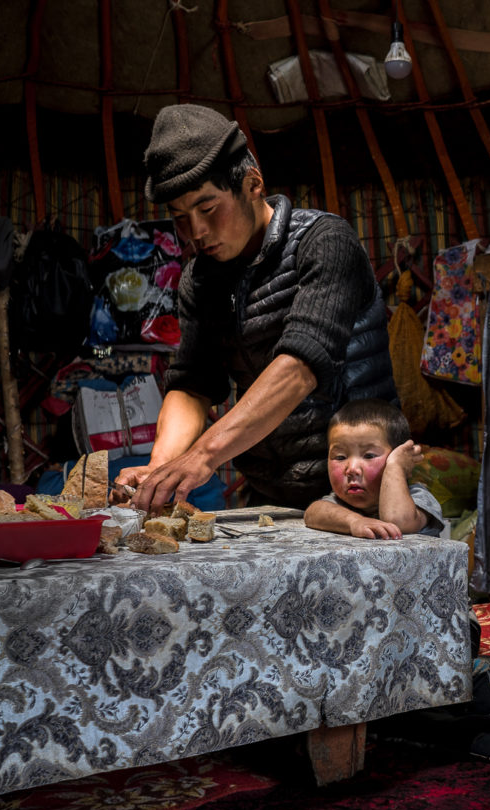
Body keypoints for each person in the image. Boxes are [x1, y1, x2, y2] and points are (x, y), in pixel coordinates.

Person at [115, 104, 394, 512]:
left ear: (252, 183)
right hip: (272, 496)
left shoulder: (325, 242)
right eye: (180, 217)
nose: (197, 232)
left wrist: (204, 455)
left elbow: (300, 367)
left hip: (364, 493)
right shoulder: (200, 279)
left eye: (208, 208)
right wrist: (161, 467)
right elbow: (193, 384)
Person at [305, 398, 444, 539]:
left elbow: (397, 521)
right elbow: (312, 513)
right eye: (340, 457)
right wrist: (355, 521)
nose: (352, 469)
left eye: (369, 455)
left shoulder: (418, 497)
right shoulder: (341, 502)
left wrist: (395, 467)